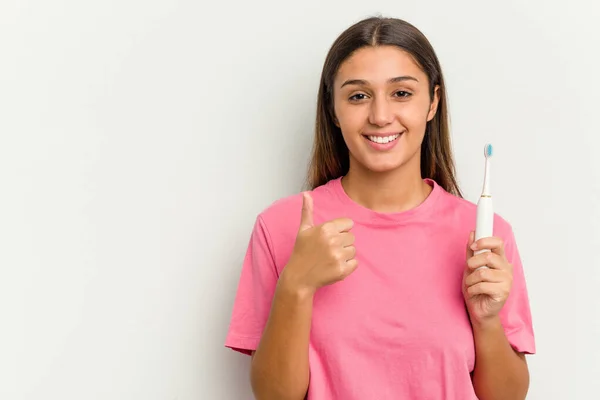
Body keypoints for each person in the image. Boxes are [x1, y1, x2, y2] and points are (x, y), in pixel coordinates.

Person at [224, 16, 535, 400]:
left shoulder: (486, 237)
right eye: (358, 96)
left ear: (433, 102)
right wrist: (296, 286)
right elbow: (274, 395)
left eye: (402, 93)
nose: (380, 116)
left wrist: (486, 322)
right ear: (333, 109)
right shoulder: (282, 227)